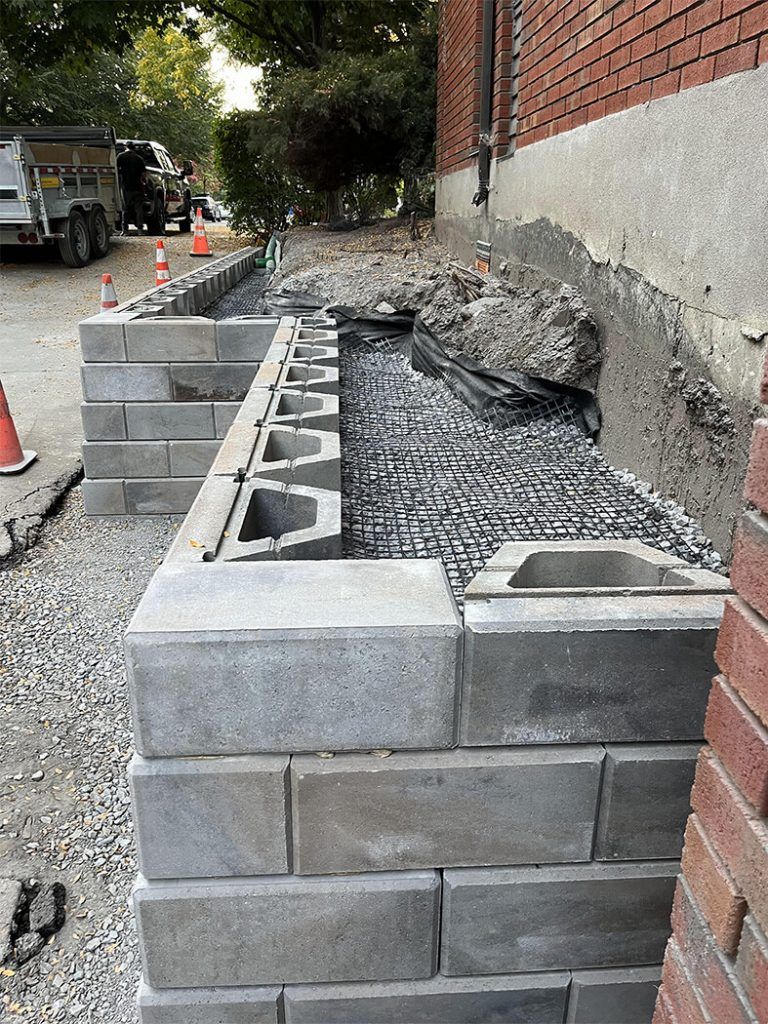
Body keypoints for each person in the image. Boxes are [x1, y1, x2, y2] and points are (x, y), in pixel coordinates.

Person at [117, 142, 147, 235]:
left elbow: (116, 170)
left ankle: (125, 230)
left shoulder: (120, 157)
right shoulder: (139, 159)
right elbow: (143, 174)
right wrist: (144, 183)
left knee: (125, 209)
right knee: (139, 209)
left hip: (126, 186)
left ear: (126, 147)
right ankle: (140, 230)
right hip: (138, 187)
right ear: (134, 148)